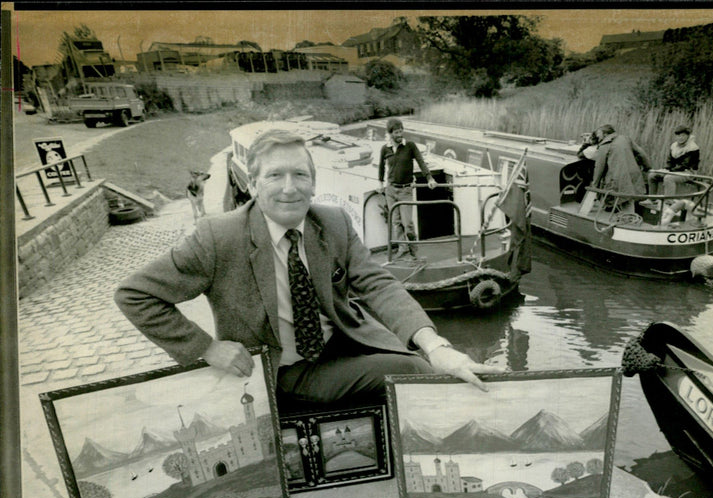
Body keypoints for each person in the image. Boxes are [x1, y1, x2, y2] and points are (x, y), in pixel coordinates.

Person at [115, 129, 499, 407]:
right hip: (287, 368)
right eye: (275, 175)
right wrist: (207, 348)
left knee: (424, 358)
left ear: (313, 182)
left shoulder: (331, 221)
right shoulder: (218, 237)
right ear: (252, 182)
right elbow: (135, 295)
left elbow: (379, 284)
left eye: (300, 175)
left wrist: (436, 346)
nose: (289, 188)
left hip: (343, 341)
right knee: (413, 372)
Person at [378, 118, 437, 259]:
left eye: (401, 131)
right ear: (390, 133)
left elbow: (421, 162)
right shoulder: (385, 149)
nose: (399, 135)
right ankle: (402, 247)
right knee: (396, 222)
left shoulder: (410, 146)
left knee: (407, 223)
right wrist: (380, 184)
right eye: (396, 132)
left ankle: (414, 249)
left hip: (405, 190)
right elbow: (381, 167)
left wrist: (429, 178)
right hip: (391, 190)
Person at [590, 124, 651, 214]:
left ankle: (628, 219)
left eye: (599, 133)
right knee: (630, 196)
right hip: (634, 175)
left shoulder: (604, 146)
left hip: (619, 178)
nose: (597, 136)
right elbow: (641, 153)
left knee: (624, 199)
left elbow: (599, 168)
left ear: (605, 134)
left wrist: (594, 185)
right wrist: (647, 167)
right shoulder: (625, 138)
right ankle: (627, 215)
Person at [647, 125, 700, 198]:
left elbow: (685, 165)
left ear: (688, 136)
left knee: (668, 178)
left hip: (688, 172)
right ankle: (652, 199)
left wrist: (670, 171)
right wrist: (666, 169)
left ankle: (668, 201)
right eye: (678, 136)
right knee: (652, 175)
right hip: (674, 170)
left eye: (683, 136)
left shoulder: (693, 147)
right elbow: (669, 161)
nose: (680, 138)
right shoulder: (674, 146)